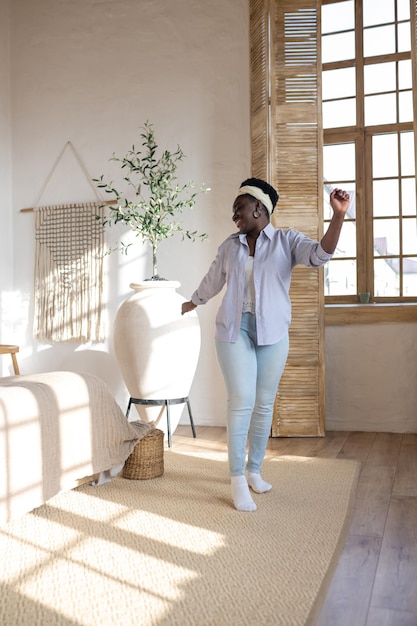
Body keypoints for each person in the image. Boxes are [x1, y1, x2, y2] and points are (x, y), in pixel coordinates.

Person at [181, 178, 350, 512]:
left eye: (238, 209)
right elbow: (213, 280)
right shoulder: (230, 246)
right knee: (242, 399)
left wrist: (339, 216)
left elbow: (321, 256)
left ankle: (254, 470)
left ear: (258, 207)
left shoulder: (287, 241)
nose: (234, 217)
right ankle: (235, 478)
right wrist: (192, 302)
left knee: (263, 404)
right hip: (234, 329)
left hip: (273, 332)